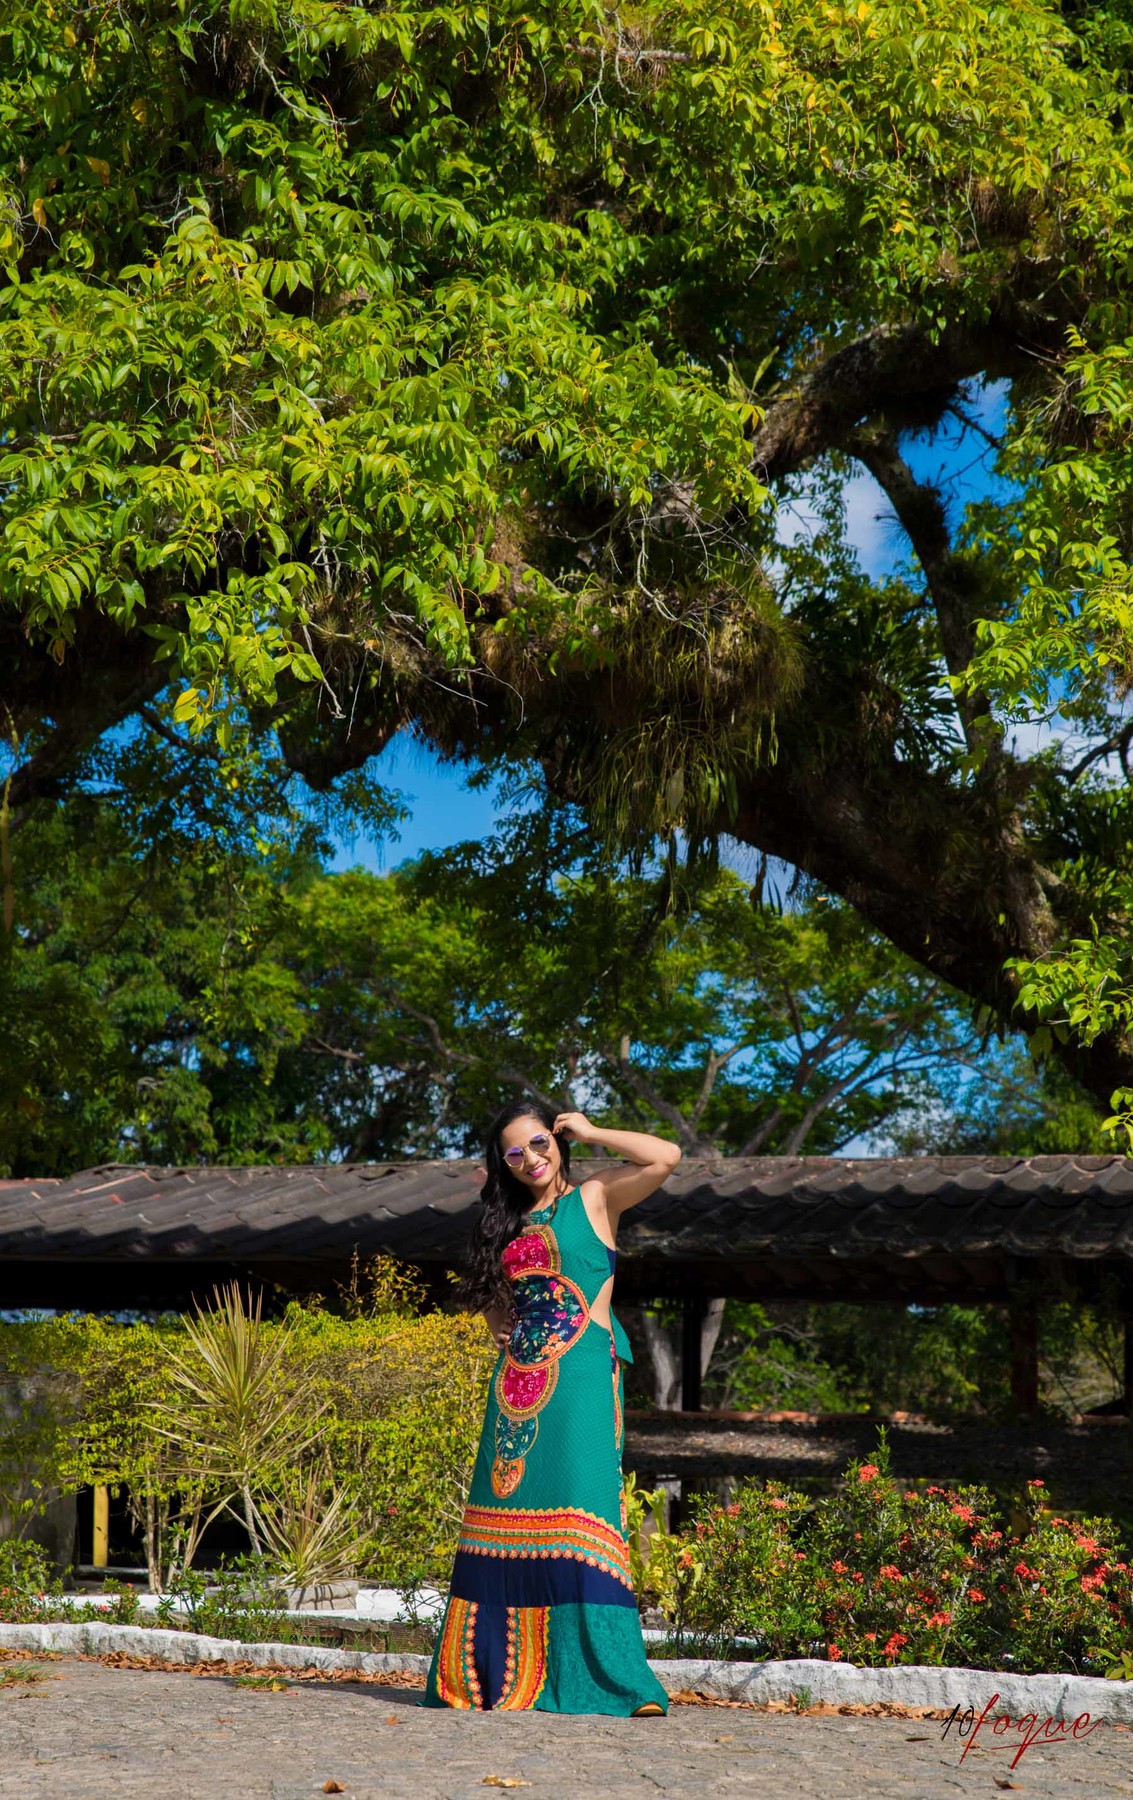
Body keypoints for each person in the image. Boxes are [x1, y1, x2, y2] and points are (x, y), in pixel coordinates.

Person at [423, 1099, 681, 1714]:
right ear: (503, 1164)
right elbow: (492, 1295)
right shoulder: (505, 1224)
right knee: (504, 1513)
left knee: (584, 1514)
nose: (530, 1159)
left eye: (539, 1143)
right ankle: (494, 1673)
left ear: (557, 1140)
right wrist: (497, 1323)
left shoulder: (596, 1196)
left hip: (585, 1377)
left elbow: (666, 1156)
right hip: (517, 1386)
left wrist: (592, 1132)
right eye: (514, 1153)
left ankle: (615, 1680)